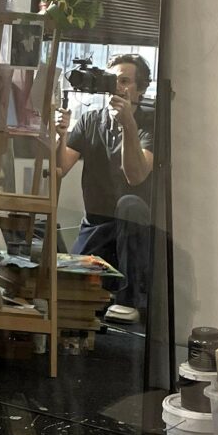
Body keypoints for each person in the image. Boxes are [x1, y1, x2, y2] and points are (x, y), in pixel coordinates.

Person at [56, 53, 154, 324]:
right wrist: (61, 134)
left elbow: (135, 176)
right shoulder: (91, 120)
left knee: (130, 204)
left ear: (141, 88)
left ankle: (130, 300)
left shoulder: (150, 122)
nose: (118, 87)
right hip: (98, 224)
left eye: (125, 81)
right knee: (70, 287)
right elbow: (60, 168)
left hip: (133, 227)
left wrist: (128, 126)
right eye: (114, 80)